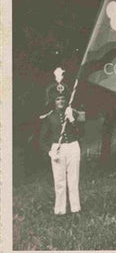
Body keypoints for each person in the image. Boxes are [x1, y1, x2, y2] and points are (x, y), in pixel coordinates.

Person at [39, 67, 83, 215]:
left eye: (63, 98)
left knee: (73, 179)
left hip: (73, 147)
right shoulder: (49, 117)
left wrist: (72, 120)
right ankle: (60, 210)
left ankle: (76, 208)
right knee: (59, 181)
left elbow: (80, 134)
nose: (61, 101)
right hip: (57, 149)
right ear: (53, 100)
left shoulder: (72, 114)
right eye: (58, 98)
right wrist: (50, 152)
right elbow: (41, 140)